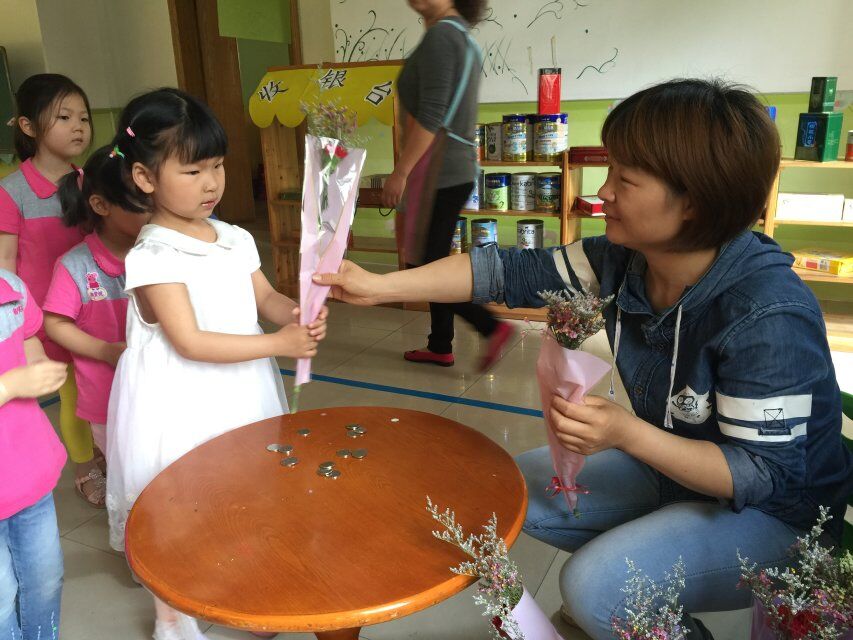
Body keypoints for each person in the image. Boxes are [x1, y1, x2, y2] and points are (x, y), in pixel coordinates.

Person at [314, 79, 853, 639]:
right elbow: (503, 271)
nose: (603, 191)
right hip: (676, 472)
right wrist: (379, 286)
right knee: (497, 492)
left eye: (625, 179)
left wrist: (625, 432)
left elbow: (762, 475)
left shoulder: (765, 312)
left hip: (777, 517)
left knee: (594, 587)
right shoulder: (625, 260)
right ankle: (636, 577)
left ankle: (623, 590)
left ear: (694, 202)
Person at [101, 88, 327, 640]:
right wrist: (279, 344)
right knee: (181, 503)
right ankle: (173, 617)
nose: (212, 183)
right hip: (180, 400)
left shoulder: (234, 237)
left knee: (245, 489)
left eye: (218, 166)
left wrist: (295, 311)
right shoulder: (152, 255)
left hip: (239, 390)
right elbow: (190, 342)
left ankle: (244, 587)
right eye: (193, 170)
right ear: (145, 177)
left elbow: (263, 297)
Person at [387, 0, 514, 369]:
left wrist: (401, 172)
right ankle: (440, 344)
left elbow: (431, 115)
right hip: (450, 167)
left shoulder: (443, 36)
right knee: (433, 259)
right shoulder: (460, 37)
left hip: (438, 169)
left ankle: (490, 326)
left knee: (427, 265)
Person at [0, 74, 103, 505]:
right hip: (49, 316)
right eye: (64, 117)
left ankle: (106, 449)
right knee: (73, 393)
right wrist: (16, 329)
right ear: (28, 126)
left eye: (83, 117)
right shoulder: (12, 192)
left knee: (102, 384)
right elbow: (5, 267)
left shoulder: (91, 181)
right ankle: (85, 467)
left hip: (95, 307)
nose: (78, 126)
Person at [43, 146, 152, 484]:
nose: (156, 208)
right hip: (107, 398)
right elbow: (55, 323)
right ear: (101, 205)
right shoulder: (75, 265)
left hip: (159, 388)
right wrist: (103, 350)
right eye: (143, 201)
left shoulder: (159, 252)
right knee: (128, 475)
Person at [0, 269, 69, 640]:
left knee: (45, 579)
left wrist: (38, 363)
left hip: (29, 477)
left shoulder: (9, 287)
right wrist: (9, 386)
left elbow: (27, 336)